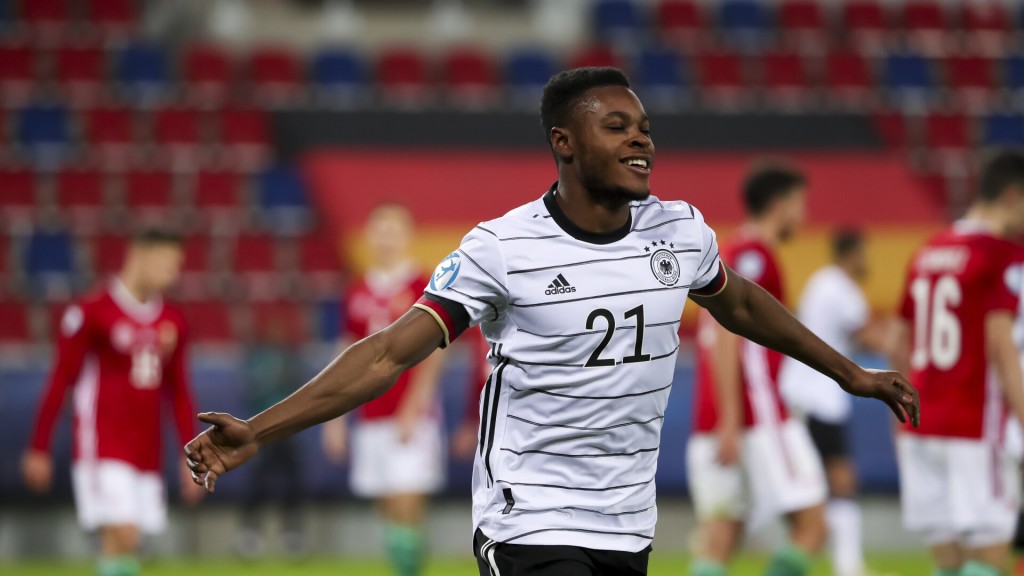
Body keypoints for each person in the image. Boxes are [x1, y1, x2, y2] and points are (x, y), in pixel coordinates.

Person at [183, 67, 919, 576]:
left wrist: (850, 372)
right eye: (616, 127)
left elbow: (743, 304)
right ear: (564, 143)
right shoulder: (503, 248)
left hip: (627, 517)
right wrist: (260, 430)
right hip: (528, 512)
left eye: (644, 127)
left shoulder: (680, 231)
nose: (640, 140)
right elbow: (385, 355)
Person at [22, 228, 202, 576]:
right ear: (138, 256)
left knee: (124, 546)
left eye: (176, 266)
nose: (173, 275)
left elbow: (179, 391)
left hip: (146, 448)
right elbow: (60, 381)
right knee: (124, 533)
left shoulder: (173, 321)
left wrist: (189, 453)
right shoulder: (92, 311)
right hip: (102, 442)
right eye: (167, 264)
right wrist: (39, 446)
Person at [688, 163, 830, 576]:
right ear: (779, 204)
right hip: (755, 413)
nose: (803, 215)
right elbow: (728, 334)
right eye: (799, 204)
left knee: (722, 533)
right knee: (812, 526)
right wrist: (732, 419)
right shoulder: (754, 255)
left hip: (711, 416)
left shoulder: (727, 253)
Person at [893, 149, 1024, 576]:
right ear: (1012, 195)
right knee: (989, 555)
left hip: (921, 422)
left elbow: (899, 339)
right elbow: (1001, 345)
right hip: (973, 423)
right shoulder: (1001, 254)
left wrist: (898, 413)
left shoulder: (929, 250)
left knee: (948, 561)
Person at [320, 202, 446, 576]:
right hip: (370, 414)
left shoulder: (422, 285)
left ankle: (410, 569)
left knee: (407, 497)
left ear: (407, 236)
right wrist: (334, 419)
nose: (386, 239)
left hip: (410, 416)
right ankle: (404, 564)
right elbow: (345, 355)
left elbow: (437, 351)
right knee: (385, 503)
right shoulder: (357, 290)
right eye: (380, 231)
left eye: (393, 231)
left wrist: (414, 406)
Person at [780, 229, 895, 576]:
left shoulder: (820, 282)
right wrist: (901, 336)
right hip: (819, 397)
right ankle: (847, 565)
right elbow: (871, 338)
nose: (867, 261)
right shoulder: (841, 288)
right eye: (863, 253)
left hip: (800, 392)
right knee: (841, 479)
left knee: (811, 484)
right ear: (851, 253)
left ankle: (836, 559)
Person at [236, 308, 307, 558]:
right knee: (257, 483)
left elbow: (303, 392)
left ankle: (292, 535)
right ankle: (250, 534)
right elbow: (251, 389)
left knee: (292, 483)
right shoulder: (258, 358)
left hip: (287, 431)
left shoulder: (290, 358)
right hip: (262, 430)